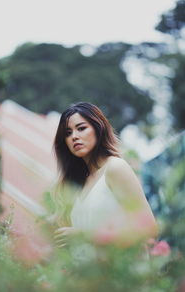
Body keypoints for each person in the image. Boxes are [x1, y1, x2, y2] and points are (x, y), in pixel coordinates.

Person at [52, 102, 157, 248]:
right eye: (68, 133)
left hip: (122, 269)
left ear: (98, 128)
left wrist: (84, 235)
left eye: (81, 128)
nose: (74, 137)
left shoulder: (115, 168)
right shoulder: (76, 184)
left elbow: (148, 230)